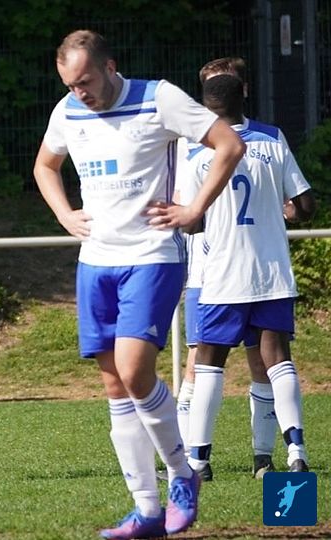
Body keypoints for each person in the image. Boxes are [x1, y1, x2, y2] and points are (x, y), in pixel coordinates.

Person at [32, 30, 245, 538]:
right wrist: (64, 214)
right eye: (70, 84)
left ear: (110, 66)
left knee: (134, 370)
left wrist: (193, 209)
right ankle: (147, 511)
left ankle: (182, 474)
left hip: (151, 256)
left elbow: (229, 144)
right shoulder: (68, 110)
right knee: (114, 384)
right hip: (95, 262)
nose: (79, 92)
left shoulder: (158, 97)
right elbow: (45, 164)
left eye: (85, 81)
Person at [180, 74, 315, 484]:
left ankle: (199, 462)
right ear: (244, 95)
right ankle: (296, 453)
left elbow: (191, 222)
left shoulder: (196, 152)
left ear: (205, 106)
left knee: (208, 365)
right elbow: (305, 205)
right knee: (278, 360)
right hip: (272, 271)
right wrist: (282, 211)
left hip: (223, 273)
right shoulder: (272, 138)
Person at [173, 57, 282, 481]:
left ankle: (263, 458)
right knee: (198, 363)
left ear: (242, 90)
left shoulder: (266, 140)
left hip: (255, 272)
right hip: (208, 271)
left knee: (262, 363)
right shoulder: (189, 144)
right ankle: (190, 460)